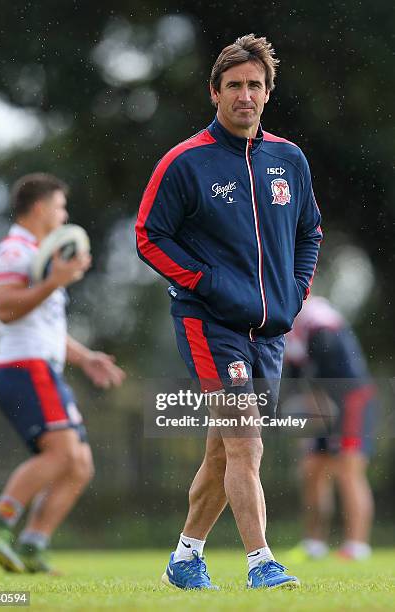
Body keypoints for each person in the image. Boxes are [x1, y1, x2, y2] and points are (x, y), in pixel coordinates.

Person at [135, 34, 322, 590]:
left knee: (222, 452)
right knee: (245, 442)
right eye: (235, 85)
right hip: (208, 323)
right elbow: (149, 236)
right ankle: (262, 562)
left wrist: (296, 292)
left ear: (268, 93)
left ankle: (185, 558)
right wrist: (206, 283)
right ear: (214, 92)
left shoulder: (289, 158)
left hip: (268, 330)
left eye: (255, 85)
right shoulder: (186, 163)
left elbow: (310, 231)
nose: (245, 94)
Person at [0, 173, 125, 573]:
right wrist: (55, 280)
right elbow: (6, 308)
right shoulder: (12, 251)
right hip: (24, 368)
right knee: (63, 453)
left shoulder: (37, 252)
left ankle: (33, 545)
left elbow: (44, 325)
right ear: (39, 208)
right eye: (59, 206)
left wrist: (86, 356)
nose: (64, 214)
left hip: (40, 366)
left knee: (80, 464)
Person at [283, 296, 375, 561]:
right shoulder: (287, 325)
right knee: (312, 469)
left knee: (348, 469)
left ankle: (357, 546)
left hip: (351, 401)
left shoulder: (318, 317)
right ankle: (314, 544)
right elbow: (294, 374)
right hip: (322, 404)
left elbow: (333, 366)